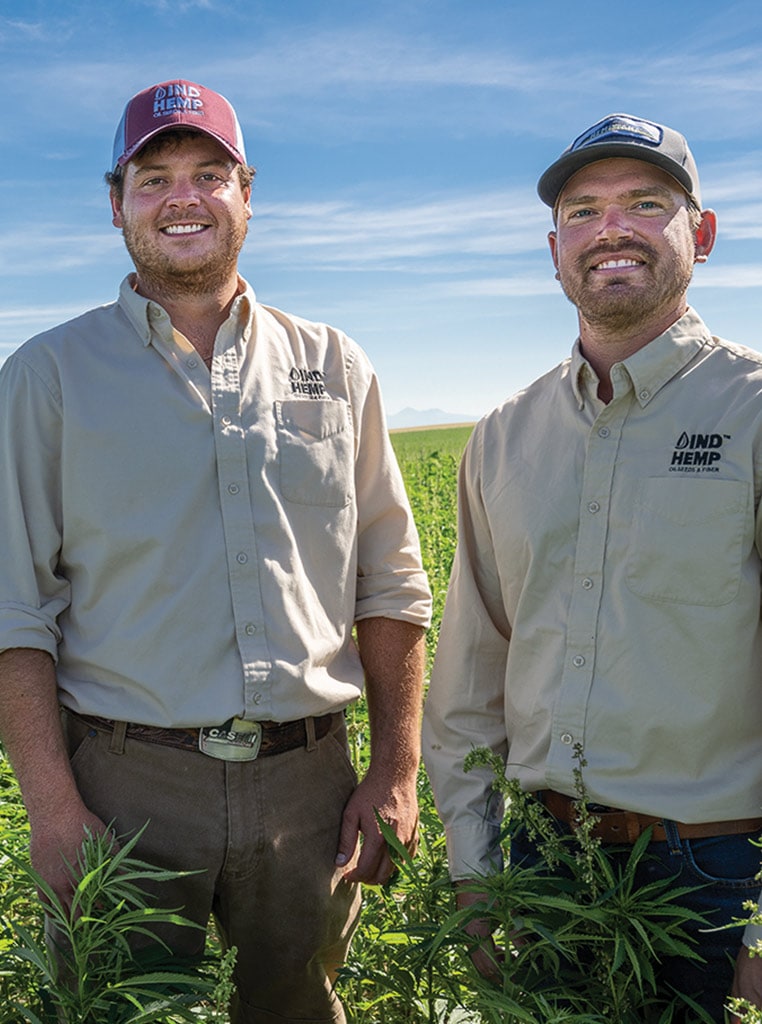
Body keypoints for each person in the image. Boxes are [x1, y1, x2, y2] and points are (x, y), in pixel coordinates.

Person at [0, 79, 431, 1023]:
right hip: (124, 783)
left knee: (298, 1009)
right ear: (116, 203)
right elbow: (13, 612)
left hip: (309, 782)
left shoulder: (334, 364)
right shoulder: (48, 376)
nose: (183, 198)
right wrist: (53, 808)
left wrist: (394, 771)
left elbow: (392, 581)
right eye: (155, 178)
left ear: (248, 191)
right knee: (116, 1008)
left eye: (209, 174)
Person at [422, 112, 762, 1021]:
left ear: (704, 232)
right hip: (544, 860)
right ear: (555, 247)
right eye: (584, 211)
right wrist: (475, 864)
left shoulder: (756, 412)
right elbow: (470, 671)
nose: (611, 229)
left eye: (646, 204)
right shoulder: (504, 437)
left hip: (720, 873)